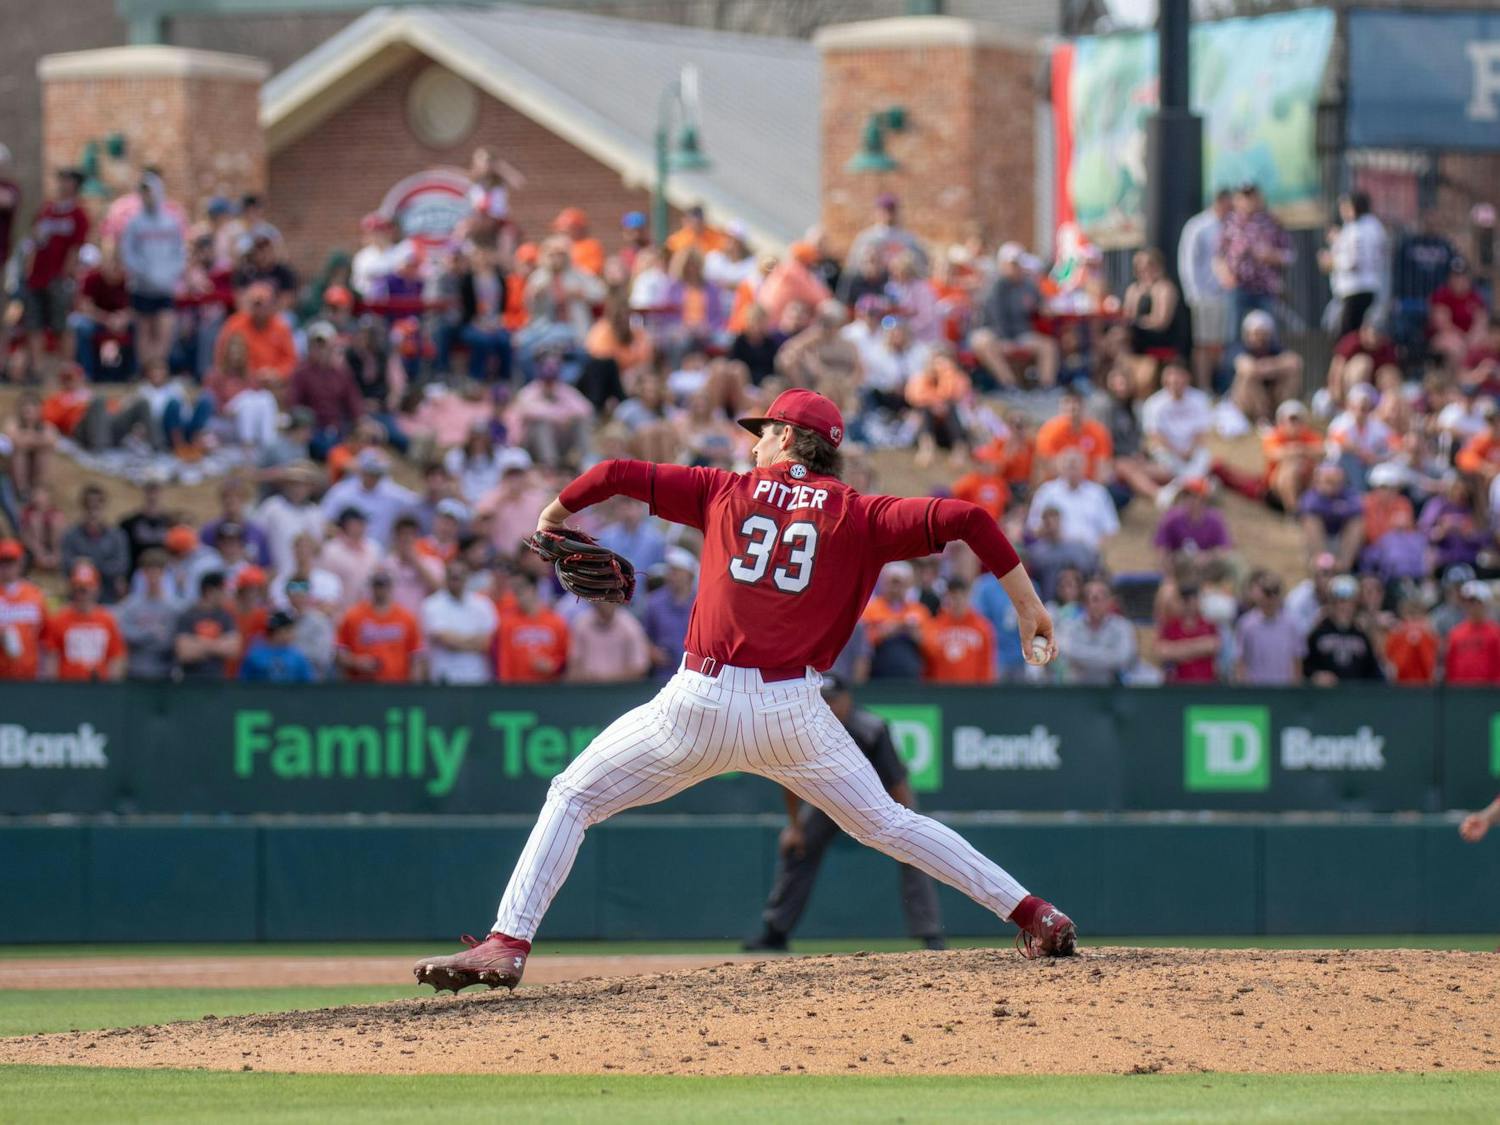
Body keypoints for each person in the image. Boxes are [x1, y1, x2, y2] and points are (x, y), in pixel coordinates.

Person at [414, 387, 1074, 992]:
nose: (752, 442)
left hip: (698, 701)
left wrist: (555, 513)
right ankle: (1033, 911)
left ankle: (508, 941)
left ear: (788, 437)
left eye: (763, 431)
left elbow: (614, 473)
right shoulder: (861, 513)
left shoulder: (724, 490)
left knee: (574, 794)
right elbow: (968, 517)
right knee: (889, 824)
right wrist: (1026, 606)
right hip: (792, 711)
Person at [744, 674, 945, 953]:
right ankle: (775, 931)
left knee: (917, 849)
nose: (829, 707)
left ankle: (930, 935)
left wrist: (912, 826)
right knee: (799, 847)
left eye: (833, 701)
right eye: (823, 701)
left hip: (880, 801)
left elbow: (897, 782)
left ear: (848, 699)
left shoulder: (871, 728)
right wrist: (794, 827)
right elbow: (789, 782)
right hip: (830, 800)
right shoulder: (806, 728)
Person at [22, 168, 90, 374]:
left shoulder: (78, 214)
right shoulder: (46, 210)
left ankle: (66, 369)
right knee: (34, 324)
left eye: (66, 181)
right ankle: (38, 369)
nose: (62, 185)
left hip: (58, 277)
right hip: (37, 277)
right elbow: (34, 240)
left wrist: (66, 275)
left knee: (61, 325)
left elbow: (76, 247)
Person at [119, 172, 185, 371]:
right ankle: (145, 371)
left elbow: (179, 253)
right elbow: (128, 253)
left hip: (165, 287)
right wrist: (144, 274)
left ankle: (159, 369)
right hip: (142, 286)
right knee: (144, 330)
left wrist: (170, 275)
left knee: (164, 329)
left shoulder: (171, 222)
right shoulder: (134, 224)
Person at [970, 243, 1058, 389]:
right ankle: (1009, 385)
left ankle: (1046, 386)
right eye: (1012, 264)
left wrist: (1044, 307)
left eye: (1018, 264)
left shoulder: (1028, 284)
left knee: (1048, 346)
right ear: (1003, 265)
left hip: (1020, 333)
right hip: (994, 332)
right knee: (983, 342)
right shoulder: (994, 285)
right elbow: (995, 315)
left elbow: (1041, 304)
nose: (1016, 268)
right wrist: (1005, 339)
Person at [1215, 183, 1292, 333]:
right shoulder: (1229, 222)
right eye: (1244, 196)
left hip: (1265, 287)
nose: (1248, 200)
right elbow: (1218, 255)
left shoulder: (1271, 221)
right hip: (1238, 287)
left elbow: (1289, 255)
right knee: (1234, 333)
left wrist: (1271, 256)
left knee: (1268, 332)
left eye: (1251, 196)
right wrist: (1225, 275)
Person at [1178, 189, 1232, 388]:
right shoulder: (1198, 226)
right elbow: (1188, 261)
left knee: (1220, 345)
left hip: (1226, 295)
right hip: (1204, 295)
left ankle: (1219, 387)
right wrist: (1193, 294)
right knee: (1204, 344)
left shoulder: (1230, 225)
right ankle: (1204, 387)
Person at [1141, 361, 1214, 508]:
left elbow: (1201, 430)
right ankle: (1199, 488)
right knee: (1174, 468)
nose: (1174, 382)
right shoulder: (1153, 403)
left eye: (1178, 377)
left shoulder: (1200, 399)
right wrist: (1176, 451)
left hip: (1192, 449)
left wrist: (1190, 450)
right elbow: (1155, 435)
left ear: (1187, 378)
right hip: (1167, 451)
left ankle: (1176, 491)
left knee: (1202, 459)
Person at [1320, 191, 1388, 341]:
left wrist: (1331, 261)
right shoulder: (1375, 226)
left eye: (1345, 207)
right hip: (1372, 286)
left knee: (1348, 337)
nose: (1343, 212)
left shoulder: (1356, 229)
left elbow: (1353, 262)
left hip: (1355, 289)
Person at [42, 562, 125, 681]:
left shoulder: (107, 619)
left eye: (86, 589)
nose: (82, 594)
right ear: (72, 588)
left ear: (96, 588)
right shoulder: (59, 619)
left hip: (99, 688)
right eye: (79, 588)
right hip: (68, 688)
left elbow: (116, 657)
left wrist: (111, 689)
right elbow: (52, 658)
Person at [1025, 450, 1119, 553]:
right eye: (1069, 467)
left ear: (1084, 468)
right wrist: (1047, 529)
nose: (1072, 472)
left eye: (1076, 467)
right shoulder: (1047, 492)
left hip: (1087, 551)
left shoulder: (1098, 493)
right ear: (1060, 468)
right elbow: (1033, 525)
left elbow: (1110, 528)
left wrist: (1095, 548)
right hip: (1053, 550)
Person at [336, 570, 422, 682]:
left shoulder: (407, 618)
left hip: (397, 687)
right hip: (361, 686)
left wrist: (413, 689)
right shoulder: (353, 616)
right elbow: (339, 654)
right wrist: (357, 662)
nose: (381, 590)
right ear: (371, 587)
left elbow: (415, 657)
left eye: (384, 585)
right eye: (378, 585)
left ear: (391, 587)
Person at [421, 560, 498, 684]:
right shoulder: (431, 604)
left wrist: (456, 640)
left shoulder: (483, 604)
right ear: (446, 577)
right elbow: (444, 639)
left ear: (467, 577)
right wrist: (472, 642)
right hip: (444, 677)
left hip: (476, 676)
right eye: (453, 577)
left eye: (459, 577)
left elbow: (485, 643)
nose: (456, 581)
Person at [1303, 575, 1383, 685]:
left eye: (1349, 601)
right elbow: (1304, 666)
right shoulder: (1318, 633)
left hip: (1354, 697)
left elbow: (1372, 670)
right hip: (1325, 698)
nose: (1344, 606)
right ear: (1331, 603)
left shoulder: (1361, 634)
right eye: (1339, 601)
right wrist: (1316, 675)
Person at [115, 548, 181, 680]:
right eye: (149, 571)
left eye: (157, 571)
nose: (153, 577)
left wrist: (142, 635)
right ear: (143, 574)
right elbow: (124, 634)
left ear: (164, 573)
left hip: (165, 672)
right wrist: (150, 633)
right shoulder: (129, 605)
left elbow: (169, 641)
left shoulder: (175, 607)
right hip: (135, 671)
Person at [1230, 310, 1304, 426]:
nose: (1259, 338)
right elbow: (1246, 368)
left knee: (1292, 375)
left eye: (1262, 333)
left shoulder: (1275, 348)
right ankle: (1261, 417)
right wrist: (1273, 366)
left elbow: (1295, 362)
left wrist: (1268, 366)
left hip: (1272, 395)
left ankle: (1282, 413)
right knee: (1248, 377)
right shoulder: (1239, 348)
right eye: (1256, 333)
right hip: (1247, 401)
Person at [1058, 578, 1136, 685]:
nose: (1095, 605)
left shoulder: (1123, 627)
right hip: (1077, 689)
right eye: (1092, 599)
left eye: (1101, 599)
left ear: (1109, 601)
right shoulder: (1070, 626)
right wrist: (1108, 655)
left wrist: (1082, 658)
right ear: (1084, 603)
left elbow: (1123, 658)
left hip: (1112, 690)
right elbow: (1065, 651)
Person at [214, 282, 297, 382]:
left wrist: (276, 373)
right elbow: (221, 354)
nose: (259, 309)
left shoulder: (281, 327)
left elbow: (291, 360)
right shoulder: (235, 324)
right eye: (256, 304)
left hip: (272, 383)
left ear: (271, 305)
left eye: (262, 304)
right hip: (241, 380)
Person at [61, 486, 130, 604]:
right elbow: (66, 564)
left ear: (103, 507)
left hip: (108, 597)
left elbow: (121, 565)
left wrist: (90, 565)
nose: (93, 511)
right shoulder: (71, 535)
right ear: (83, 507)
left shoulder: (117, 536)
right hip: (79, 600)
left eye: (97, 506)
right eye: (88, 506)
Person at [495, 572, 568, 683]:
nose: (518, 596)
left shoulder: (556, 622)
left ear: (533, 589)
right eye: (516, 592)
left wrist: (554, 665)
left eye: (522, 590)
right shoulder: (507, 623)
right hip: (518, 688)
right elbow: (504, 660)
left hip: (549, 688)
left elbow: (565, 656)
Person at [920, 579, 995, 683]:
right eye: (952, 598)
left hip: (971, 691)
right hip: (941, 690)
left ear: (968, 597)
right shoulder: (936, 625)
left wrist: (984, 692)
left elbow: (986, 664)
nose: (956, 602)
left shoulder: (982, 627)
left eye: (960, 598)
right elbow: (929, 661)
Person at [1234, 572, 1302, 685]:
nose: (1270, 598)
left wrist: (1294, 691)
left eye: (1275, 592)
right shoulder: (1246, 624)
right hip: (1256, 692)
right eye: (1267, 593)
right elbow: (1240, 660)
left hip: (1284, 691)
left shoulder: (1292, 624)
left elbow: (1297, 660)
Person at [1034, 386, 1113, 480]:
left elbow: (1102, 464)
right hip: (1059, 483)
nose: (1072, 407)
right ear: (1060, 406)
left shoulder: (1097, 431)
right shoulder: (1049, 431)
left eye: (1076, 402)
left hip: (1089, 483)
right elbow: (1046, 464)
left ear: (1083, 405)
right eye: (1067, 402)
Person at [641, 547, 697, 679]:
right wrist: (652, 652)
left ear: (689, 574)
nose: (672, 575)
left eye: (676, 571)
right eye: (670, 571)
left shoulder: (702, 603)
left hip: (693, 675)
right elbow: (643, 636)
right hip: (662, 675)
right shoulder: (654, 603)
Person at [1298, 463, 1364, 572]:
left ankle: (1344, 564)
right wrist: (1336, 508)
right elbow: (1309, 507)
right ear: (1317, 481)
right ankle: (1321, 560)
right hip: (1322, 537)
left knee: (1357, 522)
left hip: (1341, 536)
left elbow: (1358, 508)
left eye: (1337, 482)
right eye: (1328, 482)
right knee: (1311, 519)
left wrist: (1334, 508)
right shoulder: (1311, 495)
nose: (1333, 486)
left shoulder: (1348, 493)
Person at [566, 601, 651, 683]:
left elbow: (639, 668)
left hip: (622, 691)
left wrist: (606, 680)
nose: (606, 603)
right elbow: (573, 668)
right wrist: (587, 678)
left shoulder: (630, 625)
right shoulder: (581, 624)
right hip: (588, 690)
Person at [0, 539, 46, 681]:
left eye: (11, 562)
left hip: (30, 673)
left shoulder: (35, 594)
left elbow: (46, 633)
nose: (6, 567)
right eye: (3, 562)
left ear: (20, 563)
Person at [1155, 584, 1219, 683]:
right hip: (1178, 686)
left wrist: (1177, 650)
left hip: (1206, 684)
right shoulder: (1170, 626)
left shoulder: (1208, 625)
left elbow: (1213, 645)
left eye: (1196, 600)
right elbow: (1162, 652)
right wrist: (1200, 647)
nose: (1193, 604)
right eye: (1186, 600)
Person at [1444, 581, 1500, 685]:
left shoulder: (1495, 633)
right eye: (1467, 602)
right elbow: (1451, 665)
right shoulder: (1455, 633)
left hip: (1488, 693)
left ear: (1484, 604)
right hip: (1460, 692)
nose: (1470, 606)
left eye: (1475, 601)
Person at [239, 610, 316, 683]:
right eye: (287, 630)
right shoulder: (255, 655)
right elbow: (244, 683)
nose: (292, 634)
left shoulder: (298, 656)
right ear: (276, 632)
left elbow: (307, 684)